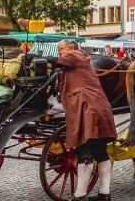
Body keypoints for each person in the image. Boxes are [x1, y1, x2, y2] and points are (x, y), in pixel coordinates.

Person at [53, 39, 117, 201]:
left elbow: (55, 61)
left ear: (70, 48)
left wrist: (34, 57)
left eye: (61, 50)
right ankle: (104, 194)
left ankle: (80, 195)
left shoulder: (76, 55)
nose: (60, 53)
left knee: (85, 153)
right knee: (100, 153)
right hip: (97, 109)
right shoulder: (77, 62)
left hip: (90, 111)